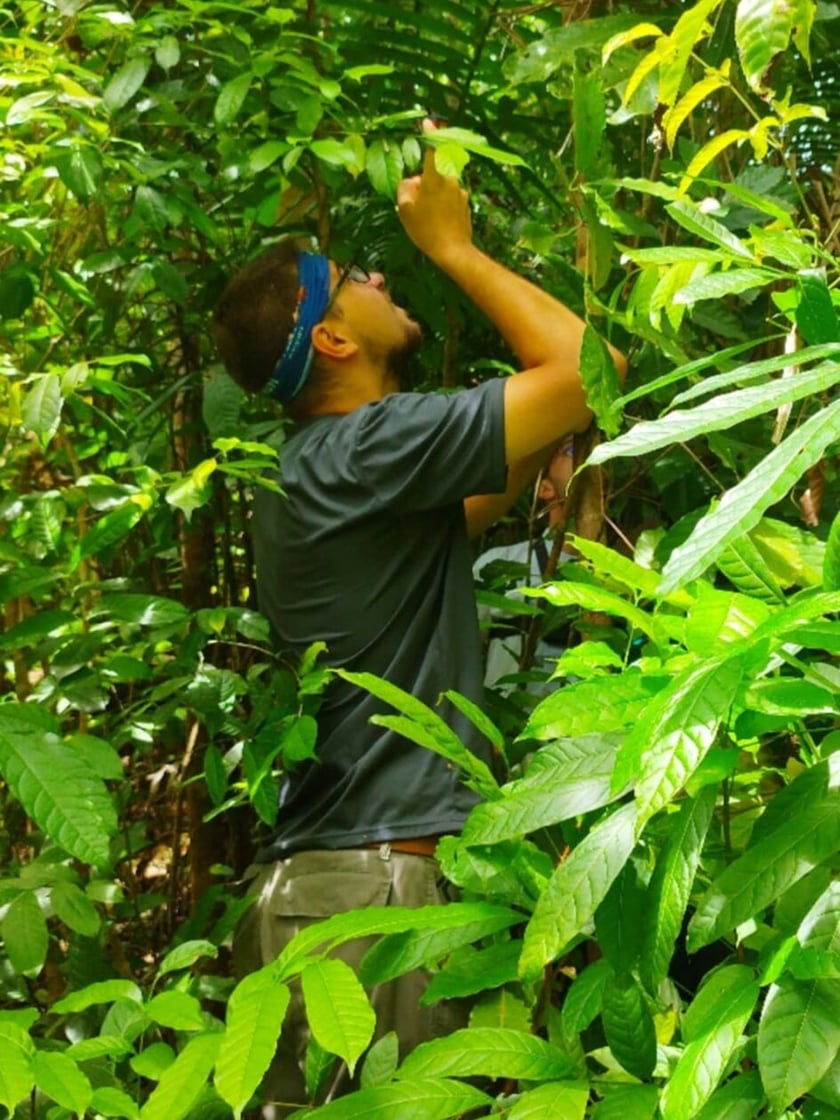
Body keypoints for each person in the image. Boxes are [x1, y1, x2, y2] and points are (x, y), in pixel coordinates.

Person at [213, 122, 626, 1115]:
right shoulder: (370, 447)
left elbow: (486, 484)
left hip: (309, 897)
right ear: (332, 337)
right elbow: (588, 370)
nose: (381, 280)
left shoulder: (308, 474)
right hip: (387, 897)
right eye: (356, 276)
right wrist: (454, 247)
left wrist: (540, 440)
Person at [474, 442, 577, 695]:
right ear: (545, 488)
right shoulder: (500, 564)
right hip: (508, 727)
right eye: (570, 451)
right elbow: (458, 653)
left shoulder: (625, 571)